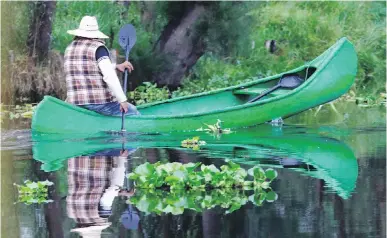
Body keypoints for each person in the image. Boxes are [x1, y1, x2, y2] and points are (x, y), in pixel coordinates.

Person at [64, 16, 139, 116]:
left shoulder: (70, 48)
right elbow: (109, 76)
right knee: (133, 111)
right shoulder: (98, 48)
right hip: (97, 103)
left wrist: (116, 66)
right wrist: (122, 100)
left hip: (74, 102)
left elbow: (88, 68)